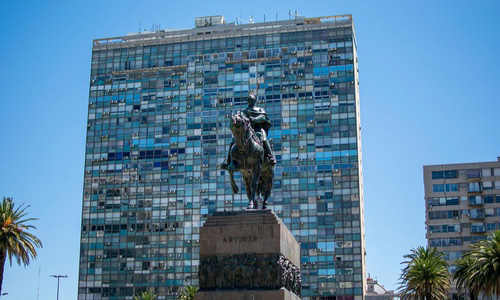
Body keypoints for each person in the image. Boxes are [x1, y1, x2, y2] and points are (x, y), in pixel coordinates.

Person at [221, 95, 277, 170]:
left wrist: (255, 119)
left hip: (257, 130)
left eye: (251, 100)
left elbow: (264, 118)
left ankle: (270, 156)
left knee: (264, 139)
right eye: (248, 100)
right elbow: (239, 118)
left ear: (254, 101)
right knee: (233, 141)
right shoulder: (243, 111)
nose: (250, 101)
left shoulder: (259, 110)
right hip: (246, 131)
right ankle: (228, 161)